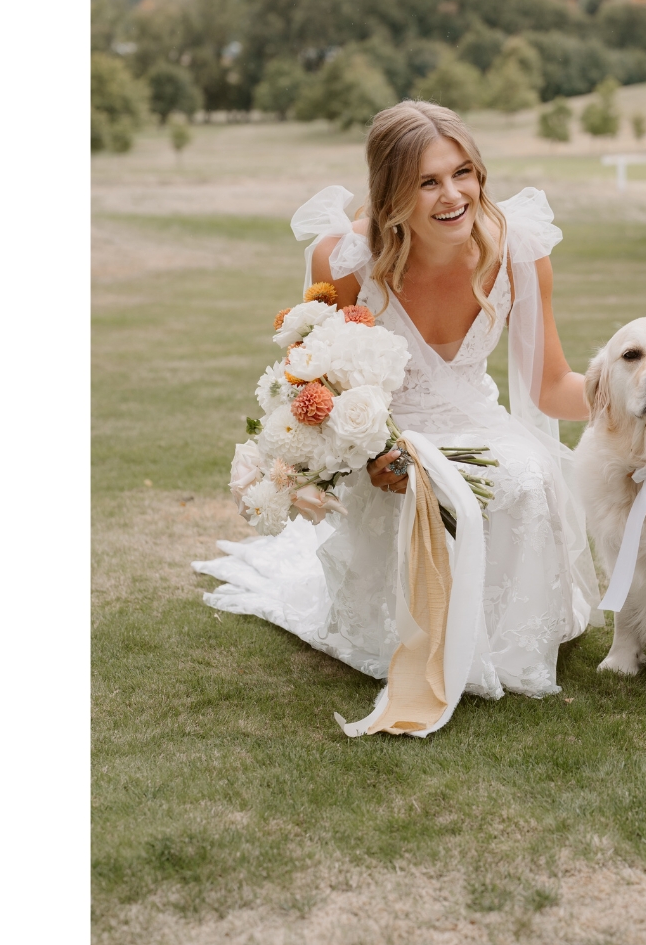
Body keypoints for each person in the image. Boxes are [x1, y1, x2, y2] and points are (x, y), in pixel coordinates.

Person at [196, 101, 600, 724]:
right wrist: (366, 454)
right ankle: (412, 632)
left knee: (527, 474)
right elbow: (315, 385)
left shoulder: (518, 251)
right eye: (427, 182)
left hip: (477, 420)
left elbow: (550, 388)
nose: (452, 195)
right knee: (424, 490)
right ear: (391, 194)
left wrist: (625, 397)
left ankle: (507, 639)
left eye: (463, 173)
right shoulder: (344, 260)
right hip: (383, 435)